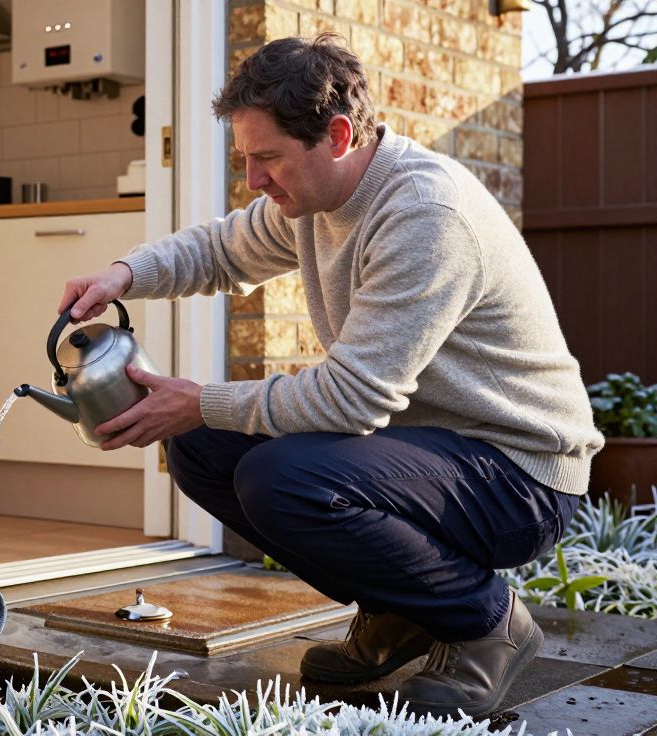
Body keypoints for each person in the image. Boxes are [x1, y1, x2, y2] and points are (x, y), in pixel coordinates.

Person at [57, 34, 602, 719]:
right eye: (245, 160)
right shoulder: (315, 201)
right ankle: (398, 611)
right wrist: (122, 275)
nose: (253, 180)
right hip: (431, 455)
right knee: (201, 448)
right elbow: (220, 249)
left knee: (280, 478)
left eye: (267, 159)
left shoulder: (424, 213)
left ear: (338, 135)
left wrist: (200, 401)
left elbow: (356, 397)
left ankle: (486, 625)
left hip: (519, 473)